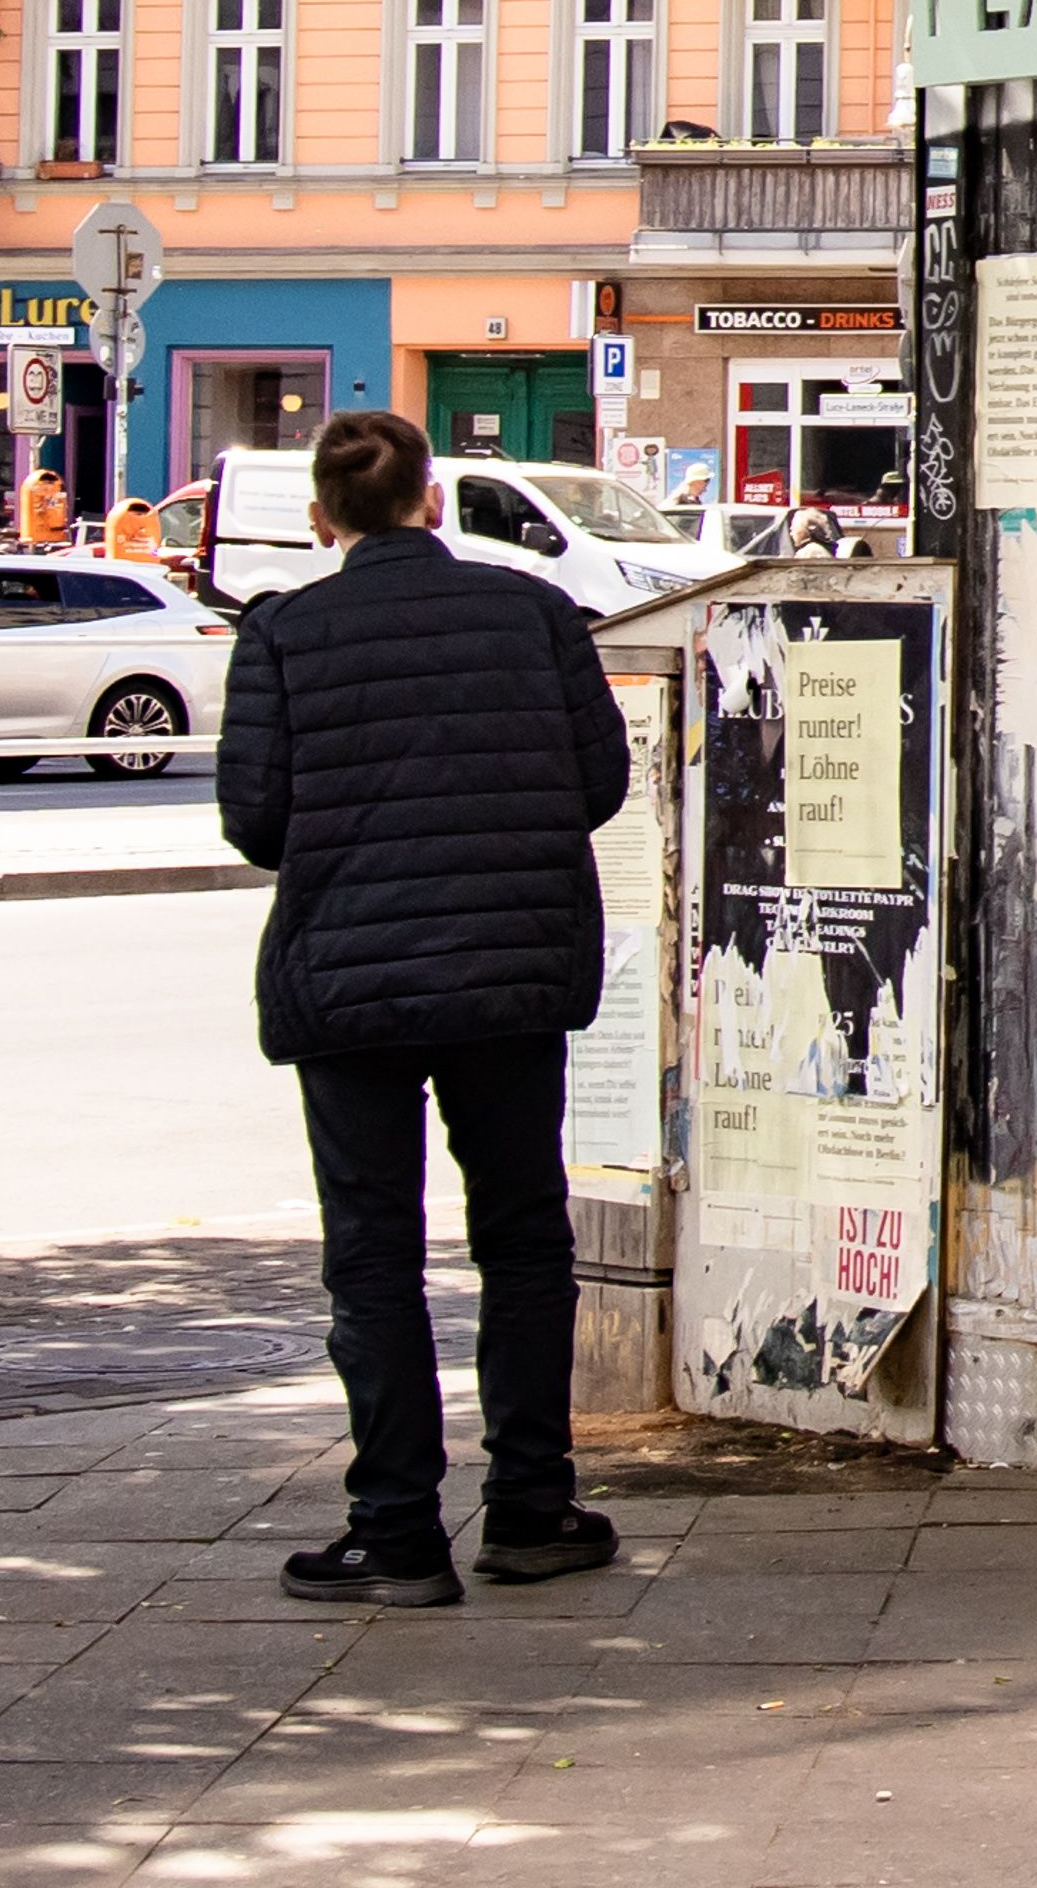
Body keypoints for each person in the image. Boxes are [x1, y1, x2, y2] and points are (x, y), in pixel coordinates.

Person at [216, 408, 630, 1606]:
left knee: (373, 1250)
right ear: (433, 501)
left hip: (351, 980)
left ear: (321, 518)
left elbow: (256, 820)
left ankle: (396, 1527)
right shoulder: (535, 613)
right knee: (524, 1235)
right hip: (509, 969)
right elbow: (599, 781)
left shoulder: (282, 631)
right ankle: (533, 1505)